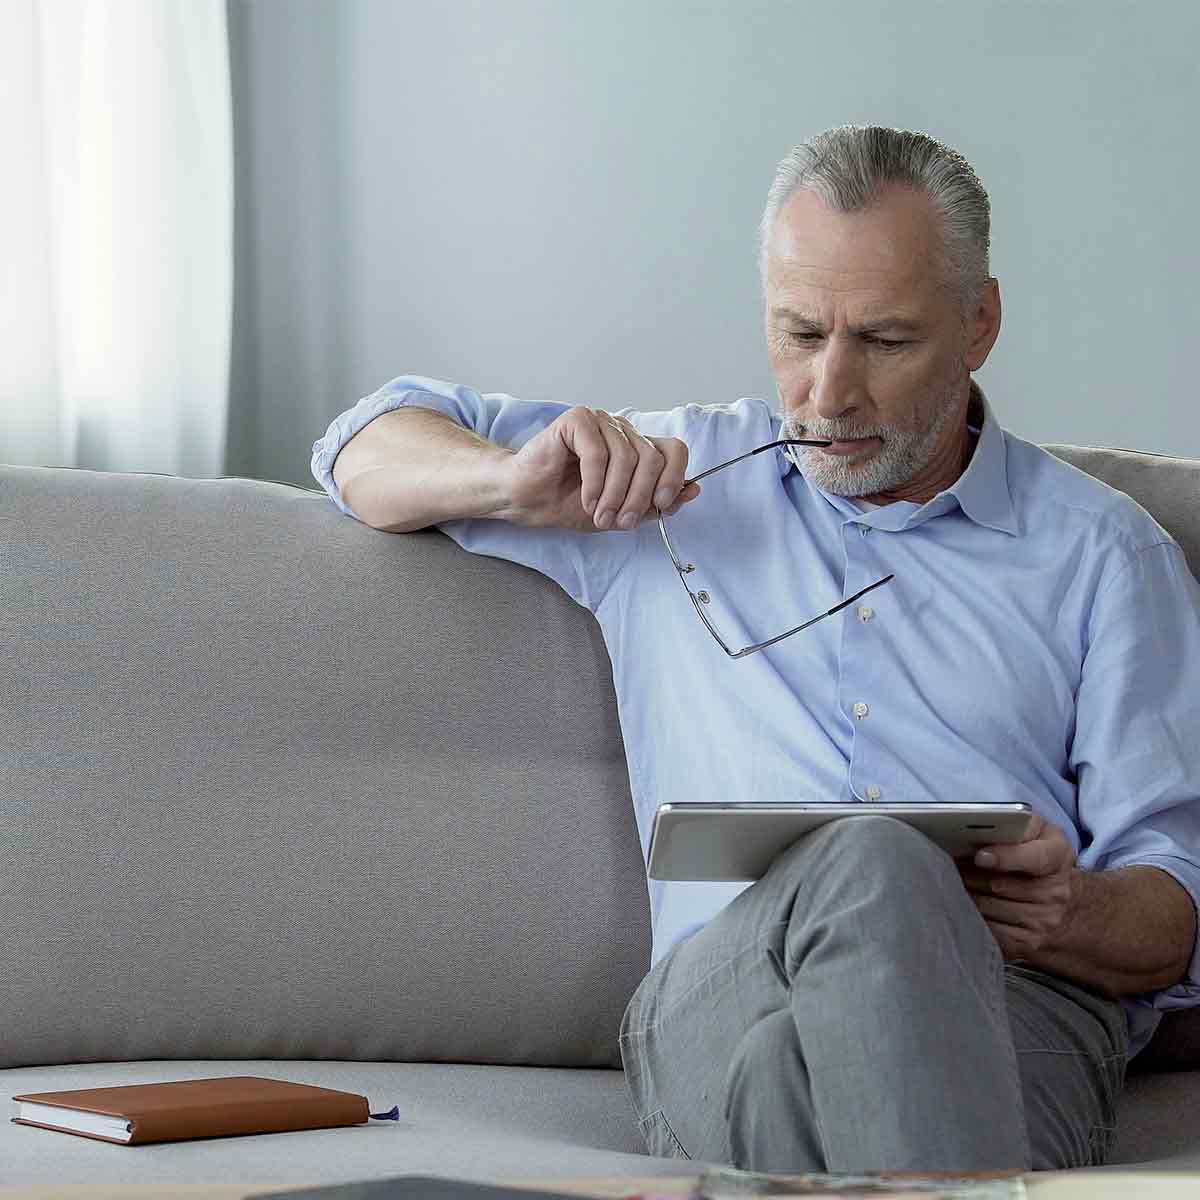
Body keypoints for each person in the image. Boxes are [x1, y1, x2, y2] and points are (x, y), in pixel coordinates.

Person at [311, 125, 1200, 1172]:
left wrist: (1066, 910)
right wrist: (513, 484)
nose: (828, 392)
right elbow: (365, 441)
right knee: (872, 863)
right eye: (798, 334)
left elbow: (1173, 917)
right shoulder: (667, 483)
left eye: (883, 340)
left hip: (1016, 1009)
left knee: (794, 1072)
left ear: (979, 324)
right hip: (722, 991)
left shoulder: (1107, 557)